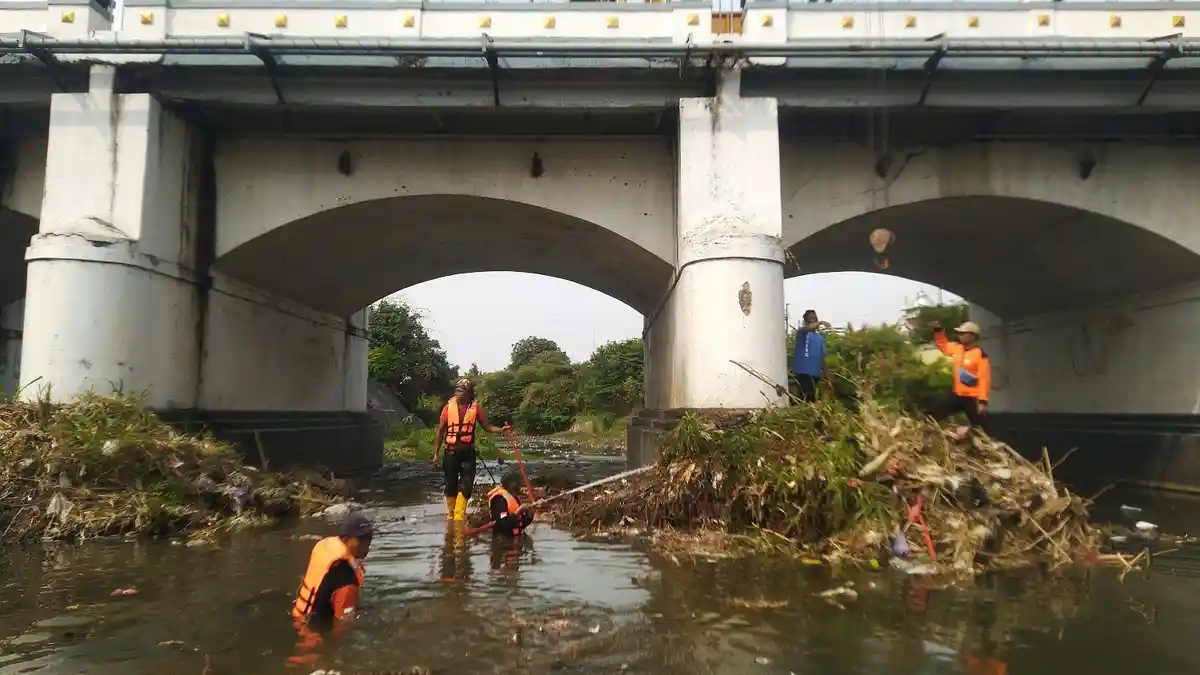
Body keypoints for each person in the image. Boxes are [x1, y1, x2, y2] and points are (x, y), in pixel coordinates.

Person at [433, 378, 505, 522]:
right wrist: (435, 454)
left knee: (466, 486)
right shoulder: (448, 407)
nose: (458, 393)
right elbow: (440, 431)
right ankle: (451, 515)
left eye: (461, 390)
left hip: (468, 453)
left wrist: (501, 430)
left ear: (469, 393)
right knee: (450, 484)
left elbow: (488, 427)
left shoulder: (475, 408)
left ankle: (459, 517)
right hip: (451, 452)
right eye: (457, 390)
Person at [291, 514, 373, 628]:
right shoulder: (346, 578)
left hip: (299, 616)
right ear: (346, 538)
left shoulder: (327, 546)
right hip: (314, 631)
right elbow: (343, 623)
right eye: (361, 540)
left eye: (369, 539)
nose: (366, 547)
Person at [932, 320, 991, 428]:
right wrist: (938, 330)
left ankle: (991, 442)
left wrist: (982, 401)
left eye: (963, 333)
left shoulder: (980, 355)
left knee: (980, 428)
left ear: (973, 336)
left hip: (973, 398)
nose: (960, 336)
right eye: (959, 333)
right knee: (937, 411)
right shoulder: (957, 348)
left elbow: (984, 379)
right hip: (958, 394)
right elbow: (943, 346)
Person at [791, 309, 830, 402]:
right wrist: (820, 322)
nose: (814, 320)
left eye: (815, 318)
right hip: (803, 372)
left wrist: (826, 374)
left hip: (815, 374)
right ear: (806, 321)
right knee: (808, 396)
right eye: (811, 318)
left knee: (813, 398)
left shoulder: (819, 337)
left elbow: (822, 357)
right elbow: (808, 328)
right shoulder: (802, 332)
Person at [487, 471, 534, 537]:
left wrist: (529, 516)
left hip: (517, 539)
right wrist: (519, 511)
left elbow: (521, 523)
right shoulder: (499, 499)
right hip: (503, 542)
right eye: (519, 484)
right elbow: (502, 524)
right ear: (512, 485)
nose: (520, 487)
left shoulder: (514, 497)